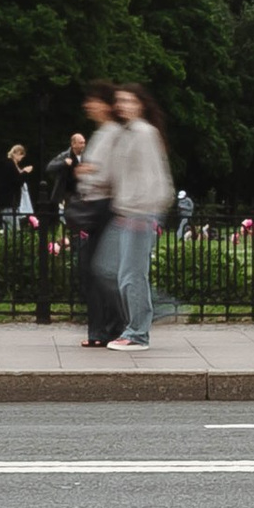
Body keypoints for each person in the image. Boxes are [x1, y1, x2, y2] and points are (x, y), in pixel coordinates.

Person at [99, 85, 172, 351]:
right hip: (125, 212)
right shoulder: (127, 134)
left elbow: (157, 178)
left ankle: (138, 334)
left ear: (141, 104)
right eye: (121, 101)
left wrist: (146, 213)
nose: (124, 105)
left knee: (131, 274)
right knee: (107, 268)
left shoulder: (144, 133)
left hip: (140, 213)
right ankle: (159, 309)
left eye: (130, 101)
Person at [70, 91, 123, 348]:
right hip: (97, 204)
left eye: (93, 101)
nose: (88, 106)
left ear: (105, 105)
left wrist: (89, 171)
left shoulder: (112, 133)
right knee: (94, 270)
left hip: (105, 205)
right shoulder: (103, 133)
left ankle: (106, 330)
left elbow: (114, 171)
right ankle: (102, 330)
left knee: (97, 270)